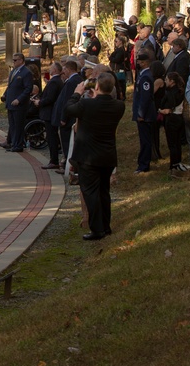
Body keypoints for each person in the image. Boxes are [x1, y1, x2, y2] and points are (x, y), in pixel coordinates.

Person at [64, 72, 125, 239]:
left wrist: (77, 92)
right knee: (104, 191)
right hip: (107, 155)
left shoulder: (86, 105)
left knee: (90, 192)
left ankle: (97, 229)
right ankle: (105, 226)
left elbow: (69, 109)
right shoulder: (119, 106)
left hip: (88, 156)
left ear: (96, 87)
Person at [51, 59, 83, 174]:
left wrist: (64, 118)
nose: (63, 71)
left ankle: (68, 166)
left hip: (68, 120)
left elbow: (68, 101)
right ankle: (66, 165)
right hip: (68, 118)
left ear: (69, 69)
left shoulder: (72, 82)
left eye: (64, 69)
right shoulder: (72, 80)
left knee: (67, 143)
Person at [0, 52, 33, 153]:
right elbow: (10, 86)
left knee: (18, 125)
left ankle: (18, 145)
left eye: (15, 60)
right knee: (13, 125)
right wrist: (5, 94)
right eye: (13, 60)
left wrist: (19, 99)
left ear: (21, 60)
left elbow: (28, 89)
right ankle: (13, 143)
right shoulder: (14, 71)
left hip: (19, 105)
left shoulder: (26, 72)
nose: (13, 62)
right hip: (11, 102)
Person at [132, 50, 156, 174]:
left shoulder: (146, 76)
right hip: (142, 114)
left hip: (145, 115)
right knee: (143, 139)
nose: (138, 64)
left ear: (146, 62)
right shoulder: (142, 74)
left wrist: (141, 113)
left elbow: (145, 97)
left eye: (140, 62)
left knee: (145, 140)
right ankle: (143, 162)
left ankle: (144, 164)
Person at [37, 62, 64, 170]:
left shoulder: (54, 82)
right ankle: (54, 159)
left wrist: (39, 102)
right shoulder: (56, 81)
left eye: (51, 68)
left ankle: (54, 160)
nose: (49, 69)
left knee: (51, 137)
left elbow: (50, 98)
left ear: (56, 70)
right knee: (52, 136)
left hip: (50, 113)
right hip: (51, 112)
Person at [158, 71, 186, 172]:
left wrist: (161, 110)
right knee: (177, 143)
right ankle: (177, 162)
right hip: (179, 118)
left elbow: (169, 107)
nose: (165, 82)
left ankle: (174, 165)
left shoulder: (170, 93)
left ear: (172, 81)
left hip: (171, 119)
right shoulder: (180, 90)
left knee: (172, 144)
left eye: (166, 80)